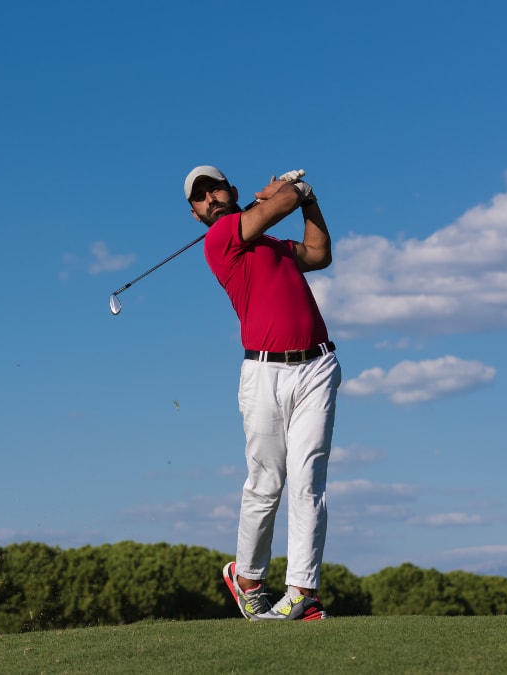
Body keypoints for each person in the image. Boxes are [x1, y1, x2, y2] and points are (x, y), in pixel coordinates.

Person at [184, 165, 341, 621]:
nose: (211, 198)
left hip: (317, 365)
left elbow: (318, 254)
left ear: (231, 192)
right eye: (201, 198)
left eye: (215, 189)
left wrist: (306, 198)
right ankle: (248, 578)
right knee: (266, 482)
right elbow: (284, 203)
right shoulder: (220, 239)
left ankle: (303, 593)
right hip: (264, 373)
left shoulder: (269, 242)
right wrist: (287, 192)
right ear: (196, 215)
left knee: (308, 480)